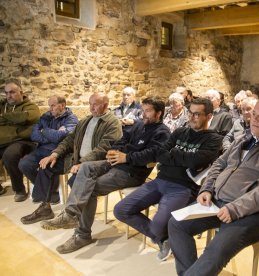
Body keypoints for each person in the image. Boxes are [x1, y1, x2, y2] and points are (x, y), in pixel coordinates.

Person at [168, 98, 259, 276]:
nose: (254, 119)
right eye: (254, 114)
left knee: (215, 250)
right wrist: (206, 189)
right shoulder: (244, 138)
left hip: (254, 213)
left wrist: (235, 209)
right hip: (218, 202)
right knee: (177, 224)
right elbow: (218, 164)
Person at [38, 97, 171, 254]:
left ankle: (81, 234)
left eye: (148, 111)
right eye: (143, 110)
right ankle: (70, 215)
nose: (143, 114)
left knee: (89, 188)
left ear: (159, 113)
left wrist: (126, 157)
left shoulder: (162, 132)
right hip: (115, 163)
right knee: (85, 168)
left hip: (131, 172)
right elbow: (122, 140)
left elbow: (152, 155)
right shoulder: (139, 125)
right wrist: (114, 150)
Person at [113, 98, 223, 261]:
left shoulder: (214, 139)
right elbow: (160, 154)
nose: (192, 117)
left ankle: (162, 235)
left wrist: (173, 155)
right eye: (190, 113)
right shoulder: (179, 132)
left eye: (197, 114)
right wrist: (182, 158)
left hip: (183, 187)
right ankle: (164, 239)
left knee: (157, 226)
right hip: (159, 180)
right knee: (120, 210)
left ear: (208, 116)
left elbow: (196, 161)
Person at [19, 93, 122, 223]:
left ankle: (74, 216)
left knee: (74, 181)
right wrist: (54, 154)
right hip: (76, 159)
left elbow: (103, 149)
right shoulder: (86, 120)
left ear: (106, 105)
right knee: (47, 166)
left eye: (95, 105)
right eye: (90, 104)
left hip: (96, 163)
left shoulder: (113, 123)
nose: (91, 108)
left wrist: (83, 162)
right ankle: (45, 208)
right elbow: (69, 139)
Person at [18, 96, 78, 203]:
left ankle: (45, 196)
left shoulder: (71, 119)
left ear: (62, 105)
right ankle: (50, 192)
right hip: (41, 149)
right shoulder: (45, 117)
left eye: (53, 105)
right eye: (49, 105)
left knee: (47, 166)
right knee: (24, 164)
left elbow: (60, 138)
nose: (50, 108)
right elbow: (34, 135)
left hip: (57, 151)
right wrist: (51, 135)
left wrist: (43, 130)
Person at [0, 79, 40, 201]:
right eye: (6, 93)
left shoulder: (31, 107)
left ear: (21, 92)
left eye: (12, 92)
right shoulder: (3, 106)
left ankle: (19, 190)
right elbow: (19, 119)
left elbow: (26, 117)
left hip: (22, 141)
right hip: (3, 141)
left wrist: (3, 117)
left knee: (10, 155)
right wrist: (14, 119)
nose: (8, 96)